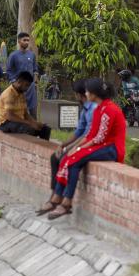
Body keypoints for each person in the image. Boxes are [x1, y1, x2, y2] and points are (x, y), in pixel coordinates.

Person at [45, 78, 126, 220]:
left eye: (88, 91)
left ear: (94, 93)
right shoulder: (99, 109)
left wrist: (78, 149)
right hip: (102, 145)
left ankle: (66, 202)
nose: (86, 93)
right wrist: (76, 146)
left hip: (112, 148)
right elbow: (89, 134)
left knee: (73, 159)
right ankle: (60, 198)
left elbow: (100, 137)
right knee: (68, 158)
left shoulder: (109, 109)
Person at [37, 79, 97, 214]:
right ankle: (54, 194)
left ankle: (61, 198)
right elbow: (79, 132)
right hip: (84, 141)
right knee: (55, 157)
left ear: (79, 94)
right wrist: (62, 145)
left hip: (91, 143)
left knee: (66, 158)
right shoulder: (86, 109)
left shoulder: (93, 109)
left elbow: (88, 135)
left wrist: (70, 149)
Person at [0, 71, 51, 140]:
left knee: (45, 129)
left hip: (17, 121)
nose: (27, 88)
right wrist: (30, 123)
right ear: (19, 82)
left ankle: (44, 149)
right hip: (5, 123)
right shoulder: (9, 94)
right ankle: (29, 149)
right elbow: (10, 117)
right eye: (26, 85)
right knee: (29, 130)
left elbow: (25, 113)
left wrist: (35, 123)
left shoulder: (21, 93)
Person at [6, 33, 39, 119]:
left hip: (31, 88)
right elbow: (8, 71)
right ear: (19, 41)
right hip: (19, 89)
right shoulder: (13, 55)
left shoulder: (32, 55)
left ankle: (34, 130)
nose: (26, 42)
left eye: (28, 40)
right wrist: (14, 84)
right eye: (24, 40)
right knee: (18, 112)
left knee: (33, 112)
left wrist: (35, 83)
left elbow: (35, 70)